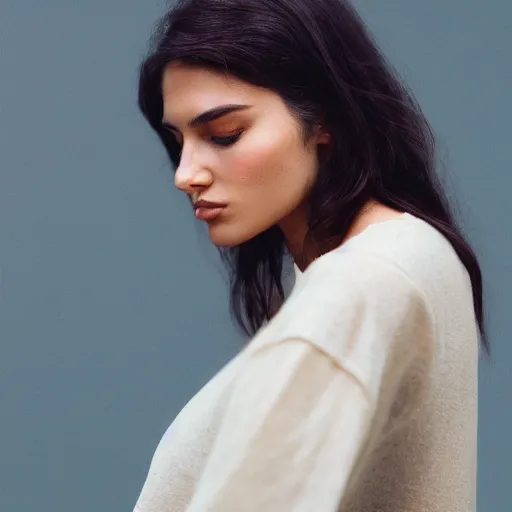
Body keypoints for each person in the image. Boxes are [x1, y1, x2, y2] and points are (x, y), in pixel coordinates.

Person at [133, 0, 489, 510]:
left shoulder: (365, 282)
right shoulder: (405, 257)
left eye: (223, 134)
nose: (185, 174)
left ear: (326, 119)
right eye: (179, 141)